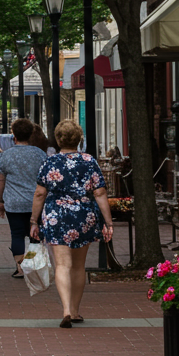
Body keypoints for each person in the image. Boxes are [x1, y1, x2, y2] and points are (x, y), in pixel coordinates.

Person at [30, 119, 113, 328]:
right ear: (79, 139)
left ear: (58, 139)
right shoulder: (89, 160)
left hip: (56, 215)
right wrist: (108, 222)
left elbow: (40, 192)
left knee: (63, 265)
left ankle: (65, 309)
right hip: (83, 215)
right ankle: (75, 311)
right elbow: (100, 192)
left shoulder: (50, 162)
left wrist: (34, 220)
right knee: (78, 266)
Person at [0, 119, 47, 278]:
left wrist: (0, 201)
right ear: (31, 135)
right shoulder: (40, 155)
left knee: (16, 234)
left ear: (14, 135)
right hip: (36, 203)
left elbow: (0, 180)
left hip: (13, 203)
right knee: (35, 235)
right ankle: (31, 264)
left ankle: (20, 267)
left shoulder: (5, 156)